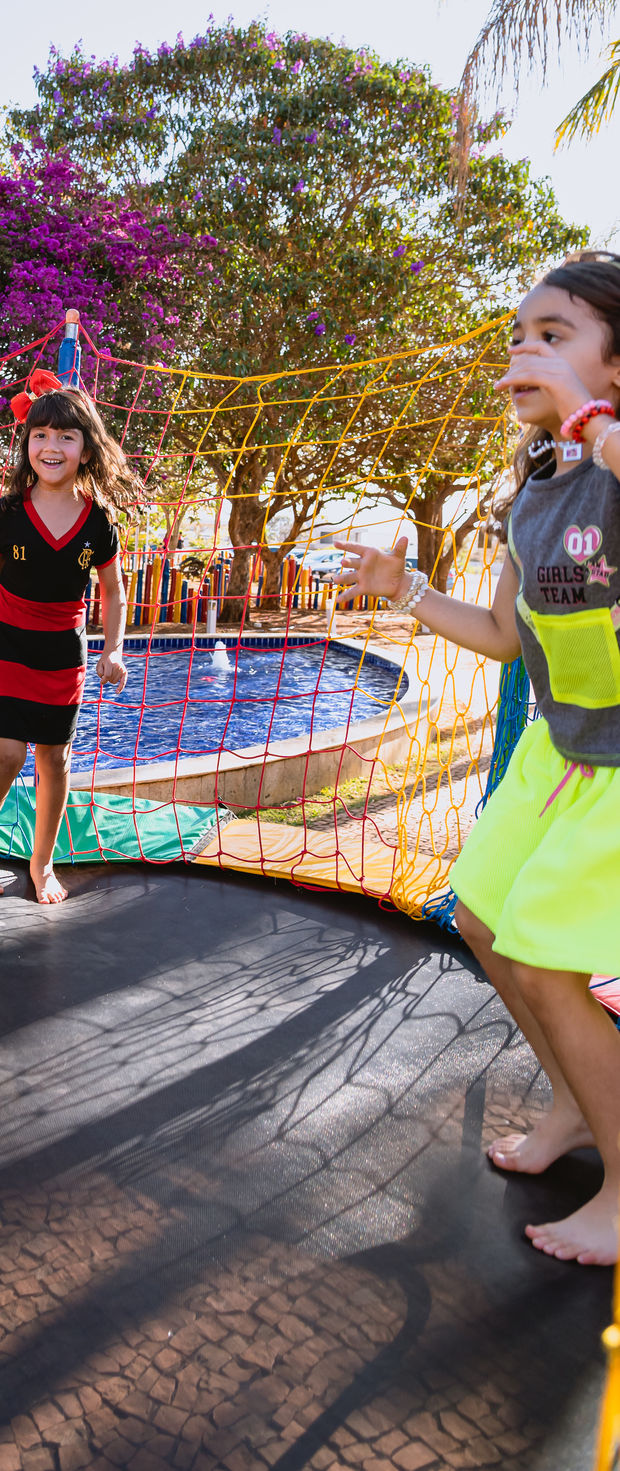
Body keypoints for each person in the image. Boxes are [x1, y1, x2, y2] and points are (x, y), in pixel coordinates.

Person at [336, 250, 620, 1265]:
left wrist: (591, 417)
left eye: (556, 334)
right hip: (560, 746)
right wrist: (404, 589)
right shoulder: (537, 488)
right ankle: (578, 1106)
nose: (526, 350)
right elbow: (505, 634)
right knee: (491, 922)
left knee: (551, 958)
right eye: (519, 336)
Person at [0, 377, 142, 903]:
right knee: (6, 754)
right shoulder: (6, 512)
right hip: (9, 644)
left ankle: (42, 863)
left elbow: (114, 593)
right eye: (41, 435)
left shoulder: (99, 522)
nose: (52, 446)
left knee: (55, 760)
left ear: (86, 448)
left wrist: (114, 648)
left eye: (66, 437)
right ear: (27, 445)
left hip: (62, 653)